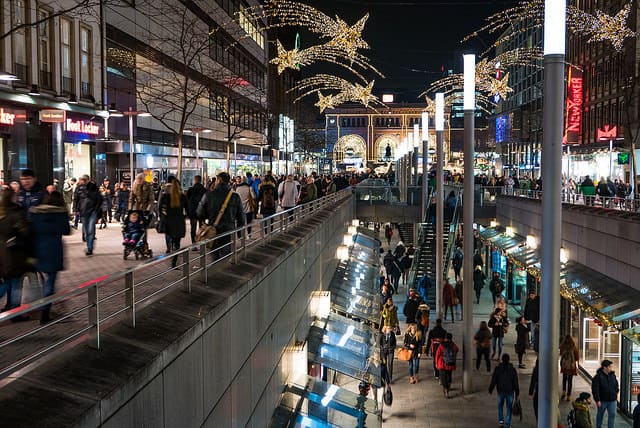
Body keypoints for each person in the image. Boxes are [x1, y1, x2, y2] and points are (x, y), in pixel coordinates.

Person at [29, 191, 71, 324]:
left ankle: (44, 308)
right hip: (53, 250)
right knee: (50, 282)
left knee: (43, 281)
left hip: (38, 249)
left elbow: (31, 231)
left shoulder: (36, 212)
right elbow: (66, 230)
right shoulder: (60, 213)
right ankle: (45, 313)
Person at [197, 172, 245, 259]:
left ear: (218, 180)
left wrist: (205, 222)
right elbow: (241, 216)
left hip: (213, 230)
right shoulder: (235, 196)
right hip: (229, 231)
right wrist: (240, 233)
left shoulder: (209, 195)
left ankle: (215, 270)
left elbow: (199, 213)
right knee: (226, 257)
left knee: (214, 256)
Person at [0, 188, 32, 317]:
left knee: (7, 280)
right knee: (15, 283)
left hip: (2, 253)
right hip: (14, 252)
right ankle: (15, 313)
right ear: (13, 197)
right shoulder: (16, 212)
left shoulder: (2, 212)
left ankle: (12, 309)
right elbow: (24, 232)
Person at [489, 353, 520, 428]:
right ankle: (507, 424)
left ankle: (501, 422)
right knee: (509, 408)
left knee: (500, 406)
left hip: (501, 391)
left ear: (502, 360)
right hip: (510, 392)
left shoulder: (498, 368)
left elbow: (494, 379)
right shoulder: (512, 370)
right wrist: (517, 392)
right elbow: (515, 381)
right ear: (509, 360)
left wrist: (491, 388)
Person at [73, 176, 102, 256]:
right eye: (82, 180)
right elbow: (76, 199)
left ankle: (90, 248)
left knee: (90, 230)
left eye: (85, 180)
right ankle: (89, 245)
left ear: (88, 180)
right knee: (86, 231)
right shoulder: (78, 188)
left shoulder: (93, 187)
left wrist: (96, 209)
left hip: (92, 211)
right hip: (83, 212)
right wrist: (75, 210)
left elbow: (99, 199)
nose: (83, 182)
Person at [592, 359, 619, 428]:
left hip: (612, 400)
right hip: (602, 401)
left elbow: (616, 385)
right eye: (610, 366)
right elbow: (595, 389)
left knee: (612, 415)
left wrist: (616, 392)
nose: (611, 368)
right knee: (600, 415)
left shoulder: (613, 375)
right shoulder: (598, 377)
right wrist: (597, 400)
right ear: (604, 367)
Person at [435, 332, 459, 398]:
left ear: (445, 338)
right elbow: (457, 349)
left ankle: (446, 390)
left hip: (442, 364)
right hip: (450, 364)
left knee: (443, 377)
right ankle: (448, 387)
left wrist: (436, 363)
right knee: (449, 376)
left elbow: (437, 355)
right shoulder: (453, 345)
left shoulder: (441, 345)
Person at [186, 175, 207, 245]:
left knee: (193, 228)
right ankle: (201, 242)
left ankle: (194, 243)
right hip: (202, 212)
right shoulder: (204, 190)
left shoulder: (190, 190)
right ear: (200, 180)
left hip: (193, 211)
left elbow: (187, 201)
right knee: (201, 227)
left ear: (194, 180)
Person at [560, 335, 580, 401]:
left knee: (564, 378)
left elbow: (561, 354)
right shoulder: (573, 347)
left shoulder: (563, 346)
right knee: (570, 380)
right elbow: (577, 357)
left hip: (565, 366)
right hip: (571, 366)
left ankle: (563, 392)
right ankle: (569, 395)